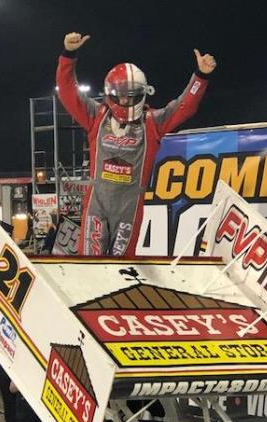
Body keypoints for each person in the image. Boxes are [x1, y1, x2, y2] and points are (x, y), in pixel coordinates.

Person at [57, 32, 216, 256]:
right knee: (89, 266)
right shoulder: (97, 116)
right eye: (120, 96)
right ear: (109, 94)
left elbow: (184, 107)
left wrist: (200, 77)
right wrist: (68, 55)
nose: (124, 101)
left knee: (121, 268)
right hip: (96, 205)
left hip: (130, 209)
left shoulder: (152, 122)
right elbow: (67, 92)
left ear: (142, 94)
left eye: (131, 96)